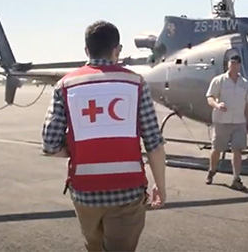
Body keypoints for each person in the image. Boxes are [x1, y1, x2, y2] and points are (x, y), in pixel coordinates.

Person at [41, 20, 166, 252]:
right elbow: (154, 144)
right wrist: (161, 186)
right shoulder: (136, 83)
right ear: (117, 50)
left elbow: (49, 144)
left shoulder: (65, 85)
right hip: (127, 193)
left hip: (85, 193)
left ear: (87, 50)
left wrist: (81, 150)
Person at [205, 54, 248, 191]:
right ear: (228, 65)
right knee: (217, 149)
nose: (234, 66)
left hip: (239, 121)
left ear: (240, 65)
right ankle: (211, 170)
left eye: (236, 63)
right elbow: (210, 97)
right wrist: (216, 105)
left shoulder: (244, 83)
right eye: (231, 63)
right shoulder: (219, 80)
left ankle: (236, 178)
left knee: (237, 150)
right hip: (222, 121)